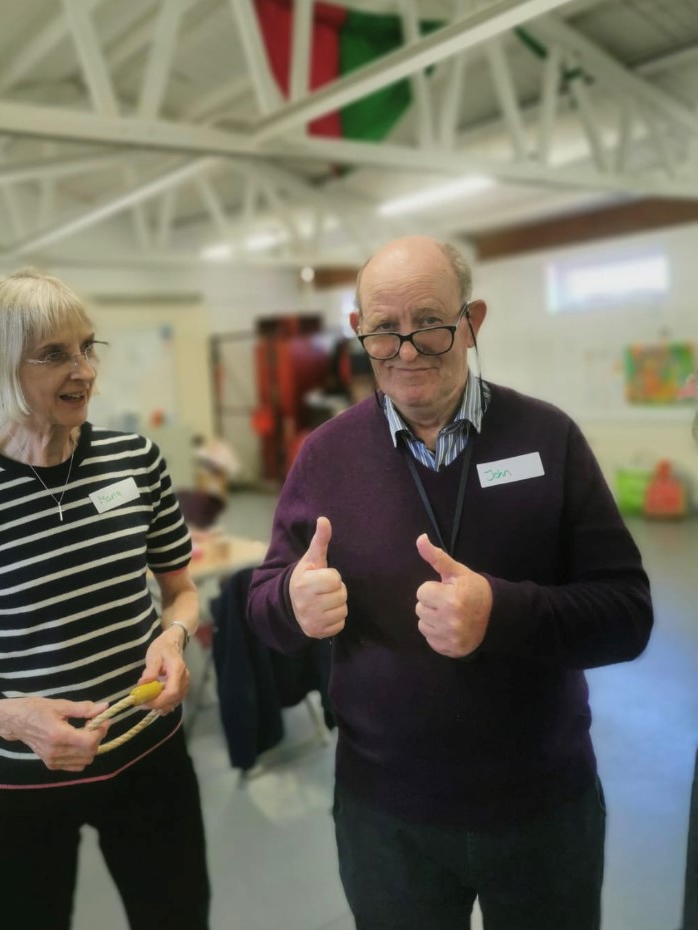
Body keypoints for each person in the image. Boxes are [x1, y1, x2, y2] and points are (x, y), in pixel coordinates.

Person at [247, 236, 653, 930]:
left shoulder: (547, 439)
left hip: (542, 808)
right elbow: (262, 605)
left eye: (431, 322)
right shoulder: (325, 456)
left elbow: (627, 614)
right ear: (359, 335)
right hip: (386, 817)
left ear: (473, 320)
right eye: (384, 331)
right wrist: (290, 602)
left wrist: (501, 612)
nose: (407, 350)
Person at [0, 269, 210, 930]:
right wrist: (16, 720)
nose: (84, 370)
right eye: (54, 354)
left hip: (148, 755)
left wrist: (173, 636)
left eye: (87, 347)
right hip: (17, 784)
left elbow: (182, 593)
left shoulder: (137, 460)